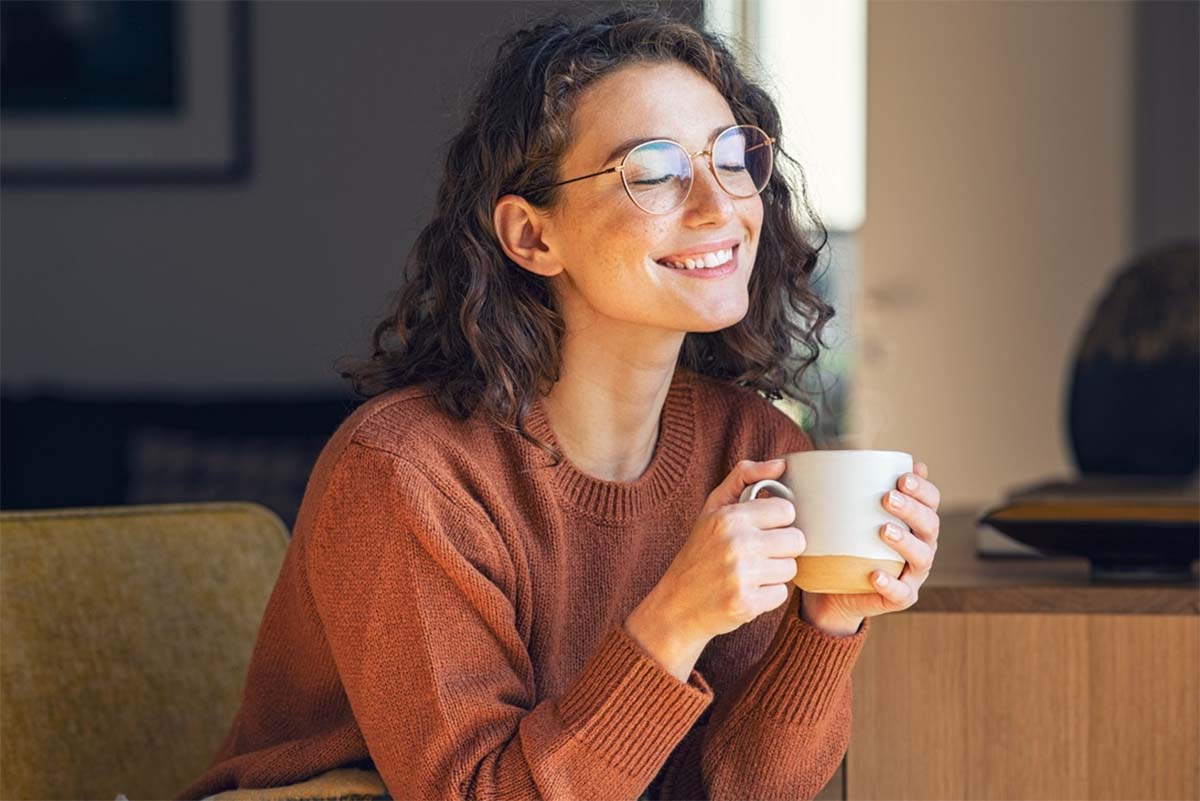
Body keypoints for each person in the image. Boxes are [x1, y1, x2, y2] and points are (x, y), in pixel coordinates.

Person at [177, 8, 941, 801]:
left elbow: (739, 790)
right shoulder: (409, 475)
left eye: (732, 157)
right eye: (652, 172)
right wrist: (673, 620)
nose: (721, 208)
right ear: (532, 236)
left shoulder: (754, 445)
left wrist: (828, 622)